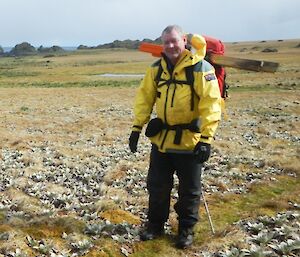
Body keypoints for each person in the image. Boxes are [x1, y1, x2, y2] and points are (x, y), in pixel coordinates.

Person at [128, 25, 222, 249]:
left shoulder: (200, 68)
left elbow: (212, 104)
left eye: (174, 41)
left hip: (190, 142)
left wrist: (206, 139)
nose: (170, 46)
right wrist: (136, 128)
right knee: (157, 186)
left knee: (189, 190)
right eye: (166, 42)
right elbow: (145, 98)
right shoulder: (156, 69)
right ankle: (155, 226)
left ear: (184, 41)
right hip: (162, 141)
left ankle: (186, 231)